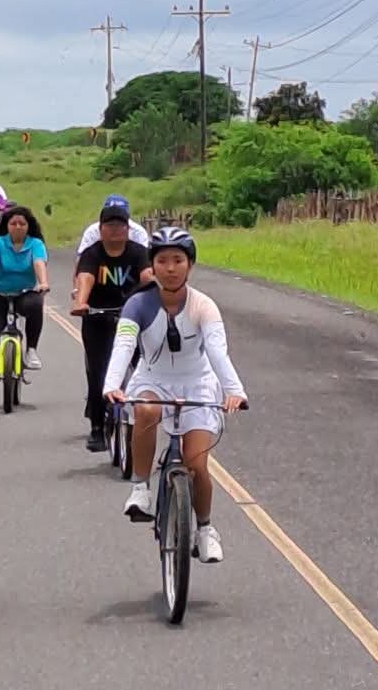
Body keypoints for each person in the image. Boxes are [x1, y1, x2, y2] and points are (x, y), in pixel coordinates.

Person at [103, 226, 248, 564]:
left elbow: (217, 352)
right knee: (146, 410)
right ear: (152, 266)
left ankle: (205, 529)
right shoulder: (137, 305)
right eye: (162, 261)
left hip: (197, 383)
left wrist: (234, 391)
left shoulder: (204, 306)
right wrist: (112, 385)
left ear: (190, 265)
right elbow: (124, 345)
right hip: (152, 380)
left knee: (196, 464)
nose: (170, 268)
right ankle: (140, 488)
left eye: (178, 260)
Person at [72, 204, 152, 451]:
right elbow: (85, 277)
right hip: (98, 317)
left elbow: (148, 276)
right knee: (99, 373)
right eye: (110, 225)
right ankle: (97, 428)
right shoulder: (92, 254)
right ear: (101, 229)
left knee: (143, 369)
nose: (116, 230)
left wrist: (156, 294)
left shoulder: (139, 252)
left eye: (120, 225)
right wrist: (81, 302)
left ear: (128, 229)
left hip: (134, 317)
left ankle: (143, 421)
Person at [0, 206, 49, 388]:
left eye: (22, 223)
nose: (17, 227)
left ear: (28, 226)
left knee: (35, 304)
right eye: (13, 223)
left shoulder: (35, 244)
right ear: (6, 226)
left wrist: (43, 283)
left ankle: (31, 350)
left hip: (24, 293)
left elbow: (39, 263)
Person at [76, 194, 150, 255]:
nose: (115, 226)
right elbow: (81, 259)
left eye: (120, 217)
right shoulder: (92, 232)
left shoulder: (138, 232)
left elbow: (145, 259)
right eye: (110, 217)